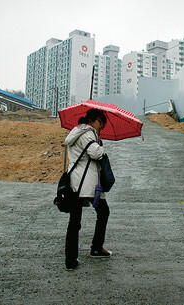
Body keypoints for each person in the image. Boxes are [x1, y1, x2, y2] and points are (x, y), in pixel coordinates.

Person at [64, 108, 112, 271]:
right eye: (101, 122)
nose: (101, 126)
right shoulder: (88, 133)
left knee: (75, 221)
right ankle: (96, 248)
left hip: (76, 181)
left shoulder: (76, 131)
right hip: (88, 183)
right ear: (94, 120)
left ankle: (70, 260)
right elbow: (95, 153)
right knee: (103, 211)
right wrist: (101, 146)